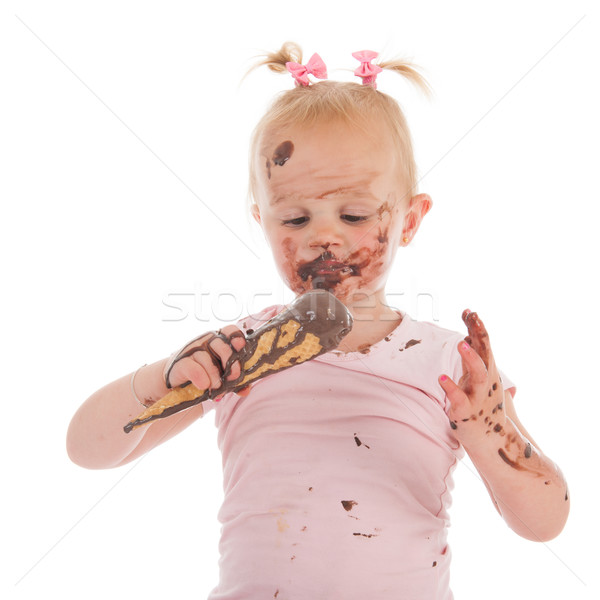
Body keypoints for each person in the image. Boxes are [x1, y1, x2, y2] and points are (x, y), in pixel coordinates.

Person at [66, 42, 569, 599]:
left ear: (409, 219)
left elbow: (543, 522)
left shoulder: (452, 366)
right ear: (262, 220)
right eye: (295, 217)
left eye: (353, 215)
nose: (322, 236)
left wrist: (488, 428)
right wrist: (165, 378)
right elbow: (87, 449)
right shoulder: (243, 351)